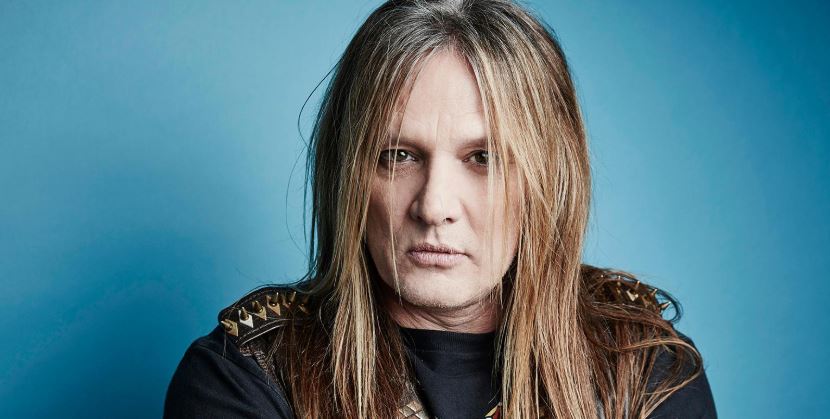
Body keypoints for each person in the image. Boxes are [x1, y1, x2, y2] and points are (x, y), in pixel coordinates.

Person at [164, 0, 717, 418]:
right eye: (398, 155)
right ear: (348, 174)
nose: (434, 207)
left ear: (548, 179)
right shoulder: (248, 375)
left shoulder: (642, 368)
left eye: (484, 158)